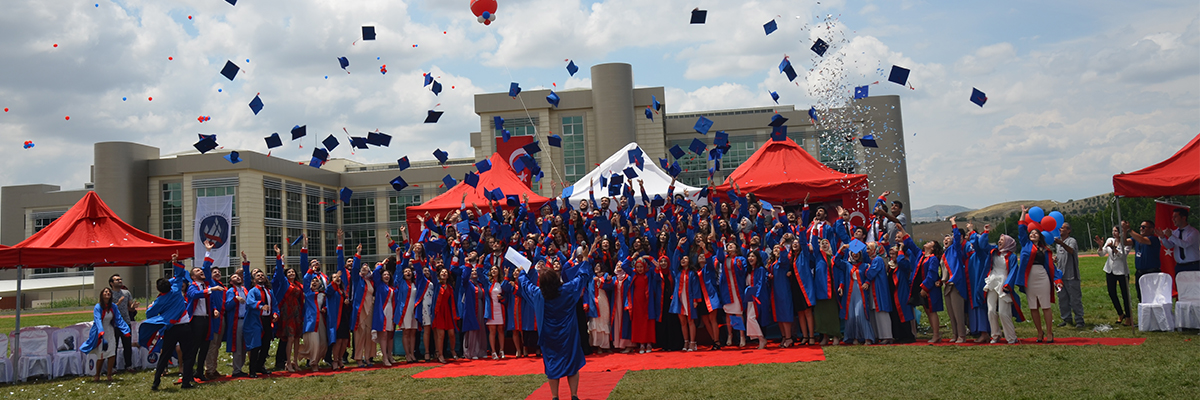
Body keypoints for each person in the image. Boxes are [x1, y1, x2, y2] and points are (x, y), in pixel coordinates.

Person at [516, 246, 593, 400]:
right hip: (568, 333)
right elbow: (583, 276)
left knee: (552, 364)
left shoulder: (539, 295)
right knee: (571, 363)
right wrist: (584, 258)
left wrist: (522, 272)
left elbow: (525, 285)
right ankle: (573, 395)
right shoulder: (567, 290)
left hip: (549, 335)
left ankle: (555, 396)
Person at [1006, 205, 1063, 343]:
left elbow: (1051, 267)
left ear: (1040, 236)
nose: (1032, 234)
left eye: (1035, 233)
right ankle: (1039, 332)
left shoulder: (1046, 250)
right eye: (1031, 233)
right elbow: (1021, 229)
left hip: (1042, 278)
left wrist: (1057, 280)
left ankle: (1049, 332)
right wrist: (1023, 213)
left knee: (1045, 306)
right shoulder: (1025, 245)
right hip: (1029, 279)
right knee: (1033, 307)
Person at [145, 251, 196, 390]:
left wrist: (154, 307)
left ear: (158, 289)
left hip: (171, 328)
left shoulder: (160, 300)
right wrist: (174, 261)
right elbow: (179, 275)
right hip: (185, 326)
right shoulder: (176, 288)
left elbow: (149, 314)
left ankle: (156, 382)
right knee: (188, 355)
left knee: (164, 355)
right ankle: (186, 382)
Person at [81, 287, 131, 382]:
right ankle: (97, 374)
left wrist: (125, 331)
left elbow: (119, 319)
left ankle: (109, 375)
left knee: (112, 353)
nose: (107, 293)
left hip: (110, 330)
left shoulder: (113, 307)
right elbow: (98, 319)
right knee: (101, 354)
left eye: (109, 292)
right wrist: (101, 331)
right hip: (100, 332)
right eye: (105, 292)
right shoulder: (98, 307)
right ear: (102, 294)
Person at [986, 234, 1022, 344]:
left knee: (1003, 312)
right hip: (992, 281)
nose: (999, 241)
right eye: (999, 240)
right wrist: (986, 232)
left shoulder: (1012, 256)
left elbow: (1013, 270)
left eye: (1002, 240)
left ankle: (1011, 337)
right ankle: (995, 335)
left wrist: (1008, 284)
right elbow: (983, 245)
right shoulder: (993, 252)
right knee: (991, 311)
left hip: (1004, 283)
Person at [1096, 225, 1132, 326]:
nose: (1114, 233)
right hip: (1110, 270)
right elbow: (1102, 253)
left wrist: (1114, 248)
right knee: (1112, 293)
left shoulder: (1127, 243)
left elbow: (1122, 256)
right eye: (1113, 231)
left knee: (1125, 295)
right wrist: (1100, 246)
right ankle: (1120, 313)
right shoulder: (1110, 240)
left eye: (1116, 231)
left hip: (1122, 271)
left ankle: (1128, 317)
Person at [224, 252, 251, 377]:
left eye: (238, 276)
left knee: (244, 346)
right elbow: (227, 306)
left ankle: (240, 368)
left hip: (246, 319)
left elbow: (247, 276)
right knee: (238, 346)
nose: (238, 278)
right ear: (231, 282)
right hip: (237, 321)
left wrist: (245, 261)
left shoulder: (245, 289)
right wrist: (236, 299)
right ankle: (236, 369)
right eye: (235, 277)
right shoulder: (231, 291)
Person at [1122, 220, 1161, 303]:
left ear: (1151, 229)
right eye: (1140, 227)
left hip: (1151, 272)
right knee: (1141, 296)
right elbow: (1125, 242)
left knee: (1152, 296)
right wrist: (1124, 232)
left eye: (1144, 227)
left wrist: (1129, 230)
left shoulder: (1153, 239)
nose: (1141, 228)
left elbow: (1142, 240)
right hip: (1140, 272)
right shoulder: (1136, 239)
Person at [107, 274, 139, 373]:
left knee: (127, 345)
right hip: (114, 324)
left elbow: (130, 307)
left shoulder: (126, 293)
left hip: (126, 322)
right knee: (114, 345)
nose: (120, 281)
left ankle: (128, 365)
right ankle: (113, 367)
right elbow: (108, 309)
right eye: (117, 280)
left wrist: (133, 306)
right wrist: (118, 303)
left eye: (120, 279)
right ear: (111, 283)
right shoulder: (109, 294)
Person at [1054, 222, 1083, 328]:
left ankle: (1079, 319)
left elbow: (1071, 251)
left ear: (1068, 230)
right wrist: (1056, 259)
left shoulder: (1071, 241)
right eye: (1060, 228)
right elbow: (1062, 256)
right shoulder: (1058, 243)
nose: (1060, 229)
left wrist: (1061, 244)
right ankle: (1066, 319)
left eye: (1063, 228)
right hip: (1060, 277)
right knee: (1062, 298)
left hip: (1071, 275)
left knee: (1075, 299)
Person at [1158, 207, 1199, 272]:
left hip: (1193, 265)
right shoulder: (1175, 232)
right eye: (1173, 217)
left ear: (1184, 218)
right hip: (1180, 266)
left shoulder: (1193, 232)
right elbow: (1169, 246)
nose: (1173, 219)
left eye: (1175, 217)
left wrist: (1171, 236)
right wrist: (1163, 238)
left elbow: (1185, 244)